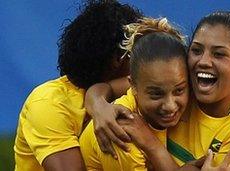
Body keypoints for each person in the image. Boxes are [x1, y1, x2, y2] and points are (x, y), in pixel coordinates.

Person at [85, 11, 230, 170]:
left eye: (219, 54)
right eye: (197, 50)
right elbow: (106, 88)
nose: (203, 62)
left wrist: (151, 145)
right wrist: (99, 107)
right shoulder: (179, 85)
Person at [13, 1, 142, 170]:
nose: (143, 60)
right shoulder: (48, 102)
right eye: (138, 51)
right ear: (119, 58)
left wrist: (97, 101)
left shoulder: (133, 89)